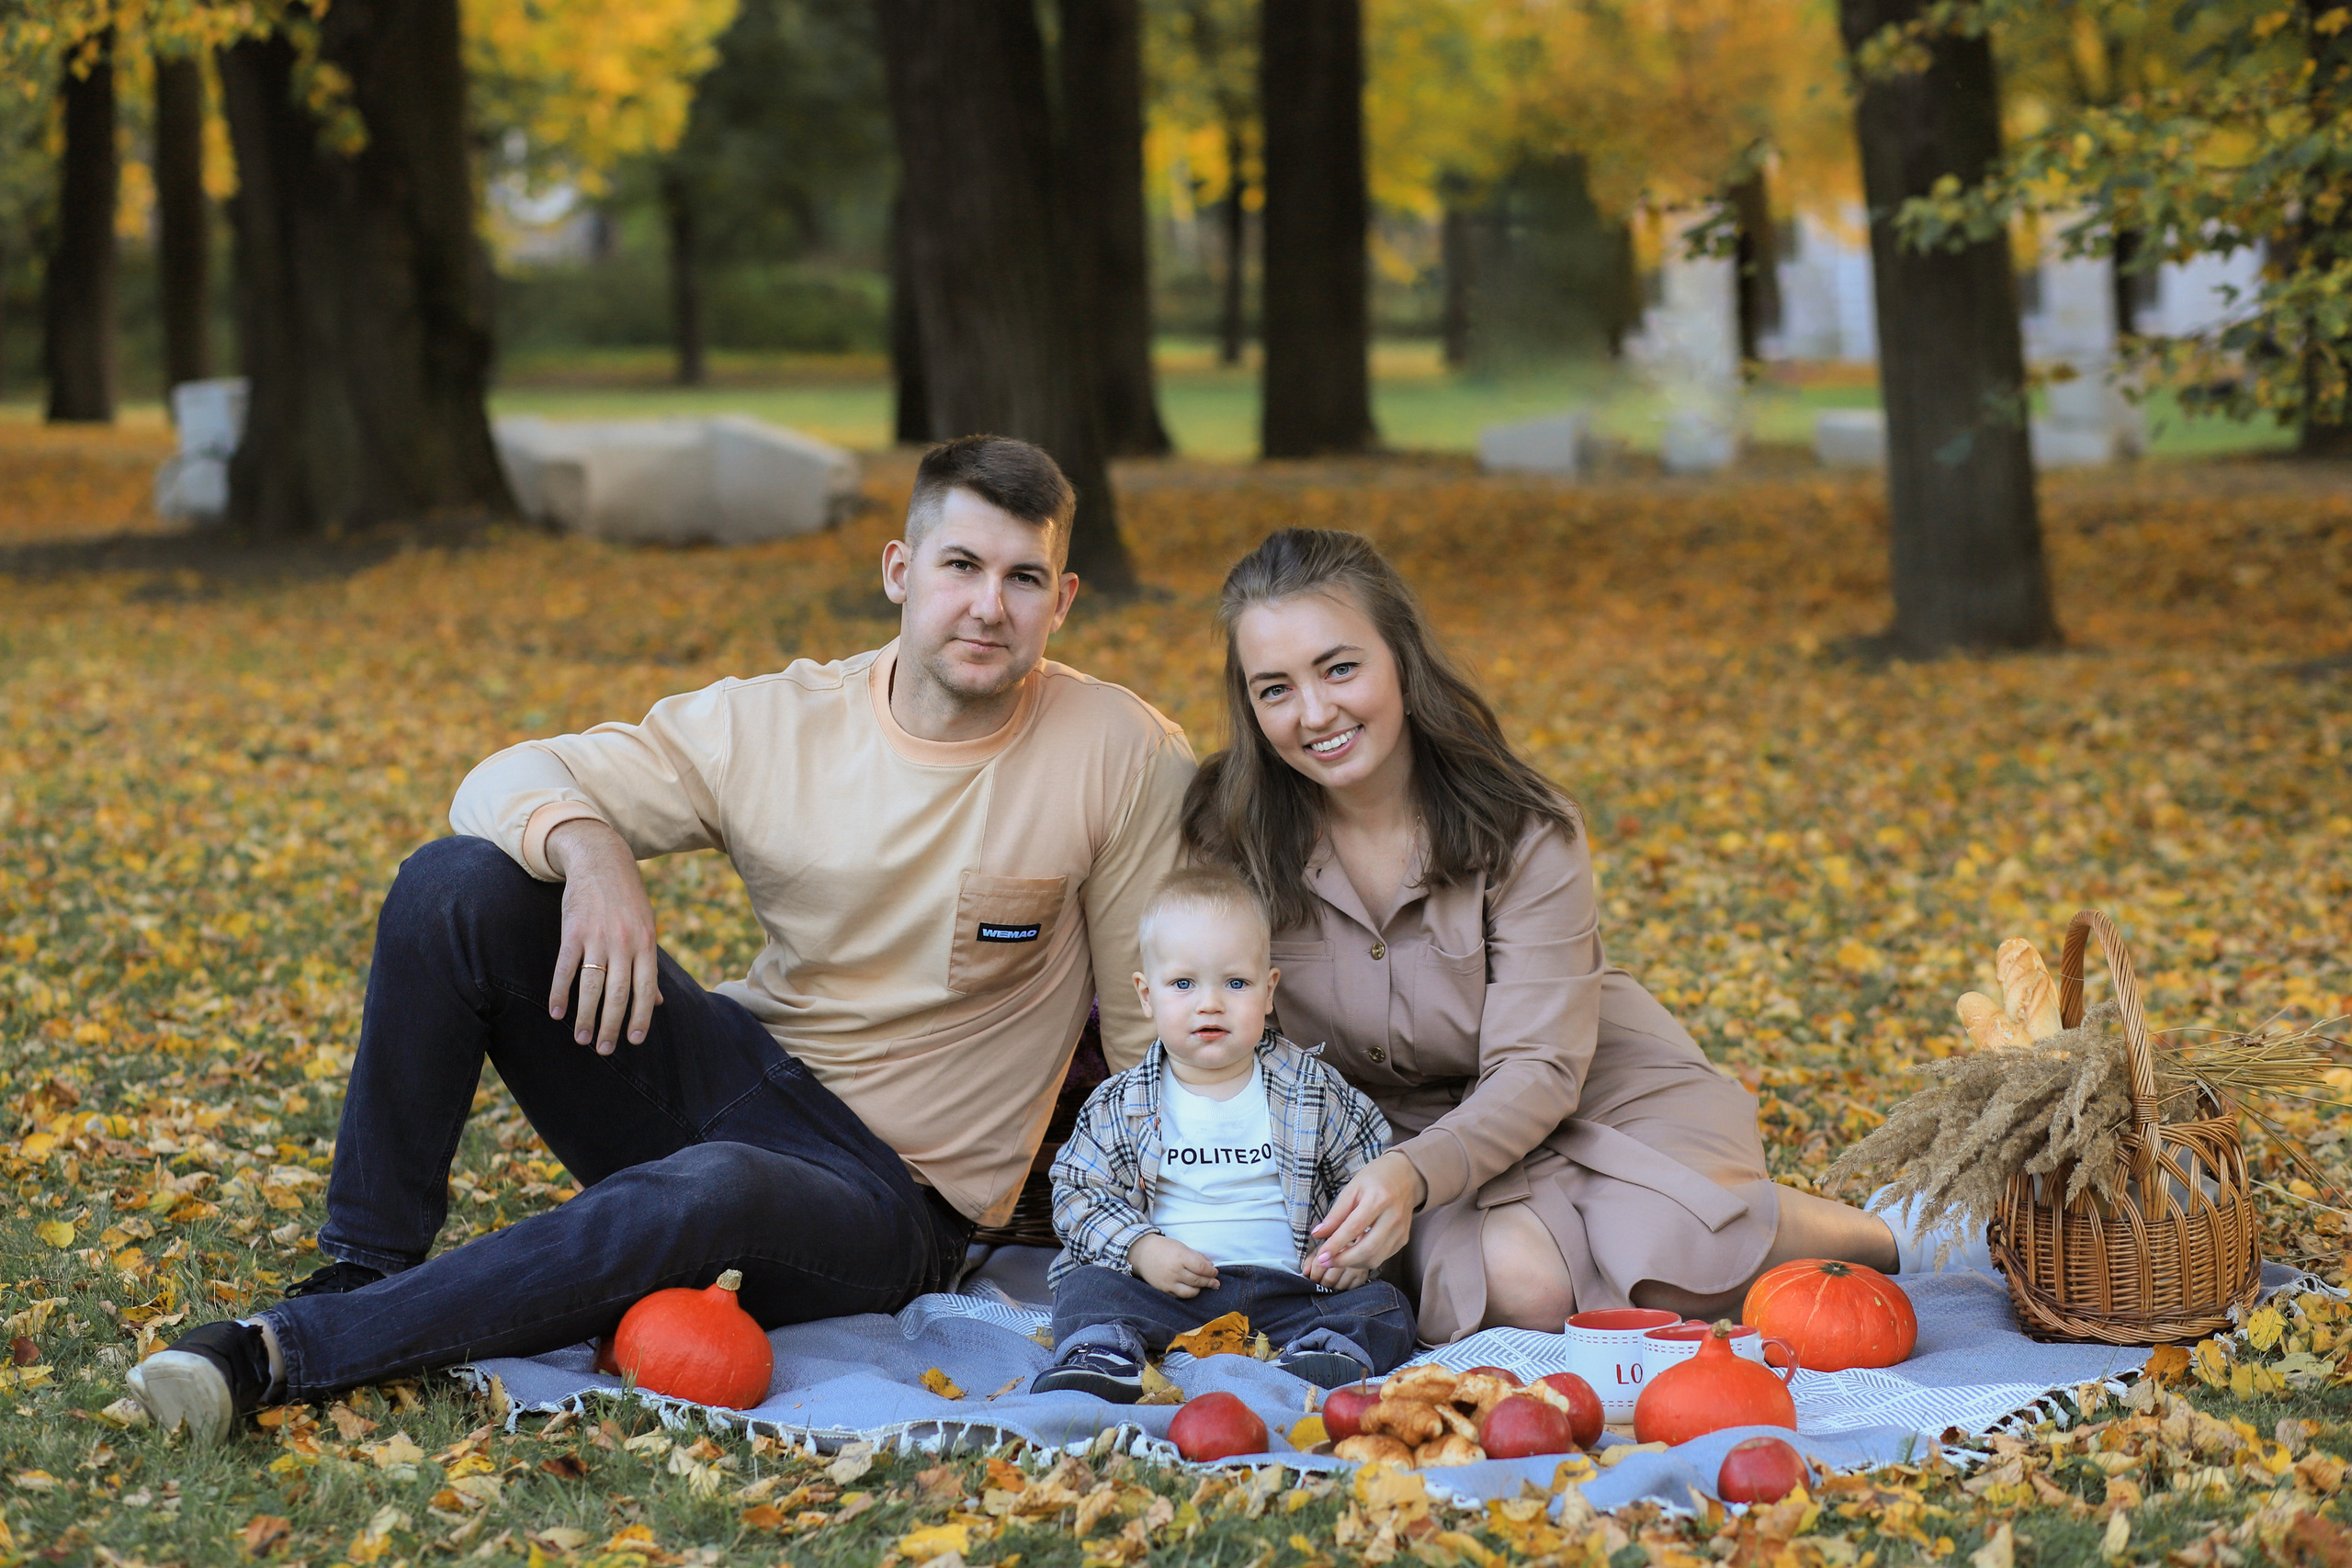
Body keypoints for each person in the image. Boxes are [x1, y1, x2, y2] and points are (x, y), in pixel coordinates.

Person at [127, 435, 1196, 1442]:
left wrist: (1184, 1228)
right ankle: (362, 1271)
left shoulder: (1119, 750)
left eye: (1022, 579)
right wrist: (593, 852)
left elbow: (1151, 1018)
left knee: (711, 1187)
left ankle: (273, 1356)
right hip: (740, 1077)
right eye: (960, 565)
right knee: (456, 885)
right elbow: (497, 781)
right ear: (899, 571)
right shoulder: (777, 723)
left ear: (1060, 602)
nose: (987, 606)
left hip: (896, 1203)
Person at [1182, 528, 1901, 1347]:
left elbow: (1539, 1067)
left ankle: (1878, 1233)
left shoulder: (1522, 825)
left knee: (1676, 1255)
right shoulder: (1228, 834)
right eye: (1274, 689)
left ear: (1402, 663)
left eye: (1340, 667)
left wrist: (1419, 1175)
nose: (1314, 713)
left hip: (1587, 1074)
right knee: (1523, 1289)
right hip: (1385, 1130)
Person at [1034, 866, 1416, 1402]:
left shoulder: (1311, 1089)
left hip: (1292, 1291)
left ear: (1267, 992)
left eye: (1235, 983)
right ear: (1147, 995)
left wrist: (1351, 1252)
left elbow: (1367, 1165)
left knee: (1386, 1305)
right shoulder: (1123, 1102)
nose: (1209, 1002)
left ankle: (1325, 1351)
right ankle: (1106, 1352)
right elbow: (1077, 1191)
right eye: (1183, 984)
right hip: (1170, 1295)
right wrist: (1141, 1249)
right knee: (1085, 1290)